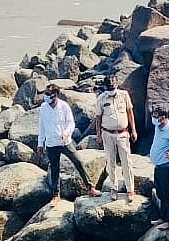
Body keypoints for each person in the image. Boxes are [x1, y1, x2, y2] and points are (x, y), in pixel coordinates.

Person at [37, 84, 101, 204]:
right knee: (54, 169)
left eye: (49, 95)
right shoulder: (43, 108)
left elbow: (71, 123)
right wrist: (40, 143)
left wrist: (66, 133)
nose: (47, 97)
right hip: (51, 143)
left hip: (65, 141)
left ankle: (90, 188)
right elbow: (42, 127)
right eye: (46, 95)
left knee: (78, 161)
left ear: (56, 95)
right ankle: (56, 195)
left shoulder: (64, 106)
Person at [95, 72, 137, 202]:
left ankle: (130, 189)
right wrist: (98, 135)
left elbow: (130, 112)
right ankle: (114, 188)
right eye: (109, 86)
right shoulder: (101, 98)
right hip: (107, 133)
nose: (111, 88)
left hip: (123, 133)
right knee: (111, 162)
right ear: (105, 87)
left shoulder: (124, 95)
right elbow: (98, 117)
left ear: (117, 83)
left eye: (113, 85)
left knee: (126, 162)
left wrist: (133, 130)